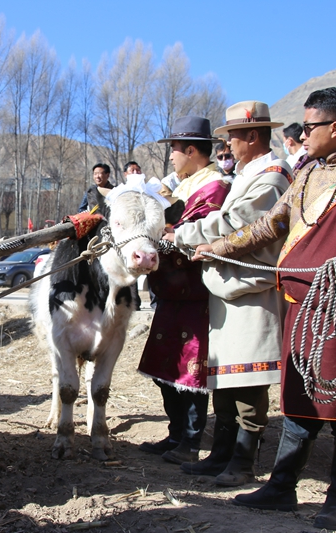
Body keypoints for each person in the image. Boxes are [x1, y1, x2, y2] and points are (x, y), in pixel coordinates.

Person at [193, 88, 336, 530]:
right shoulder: (307, 173)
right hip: (299, 308)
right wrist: (217, 246)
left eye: (311, 126)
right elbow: (271, 224)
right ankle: (282, 487)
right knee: (299, 406)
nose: (302, 134)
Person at [170, 101, 291, 487]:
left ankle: (242, 462)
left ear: (252, 137)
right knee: (224, 379)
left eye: (233, 137)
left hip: (251, 291)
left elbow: (236, 222)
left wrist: (183, 236)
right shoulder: (248, 174)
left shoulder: (271, 178)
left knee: (248, 381)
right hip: (230, 287)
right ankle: (222, 454)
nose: (228, 146)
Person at [137, 116, 232, 465]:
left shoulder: (215, 188)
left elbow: (197, 234)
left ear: (191, 150)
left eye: (174, 150)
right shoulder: (186, 185)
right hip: (173, 291)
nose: (172, 158)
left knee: (191, 370)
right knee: (166, 367)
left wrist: (167, 228)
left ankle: (190, 442)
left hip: (194, 293)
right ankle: (177, 434)